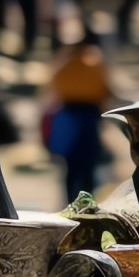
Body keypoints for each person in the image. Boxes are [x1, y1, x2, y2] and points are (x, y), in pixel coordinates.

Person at [45, 33, 112, 204]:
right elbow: (105, 90)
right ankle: (87, 204)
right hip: (87, 116)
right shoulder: (94, 62)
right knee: (88, 164)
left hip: (68, 115)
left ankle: (69, 202)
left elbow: (53, 87)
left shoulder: (62, 65)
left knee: (70, 165)